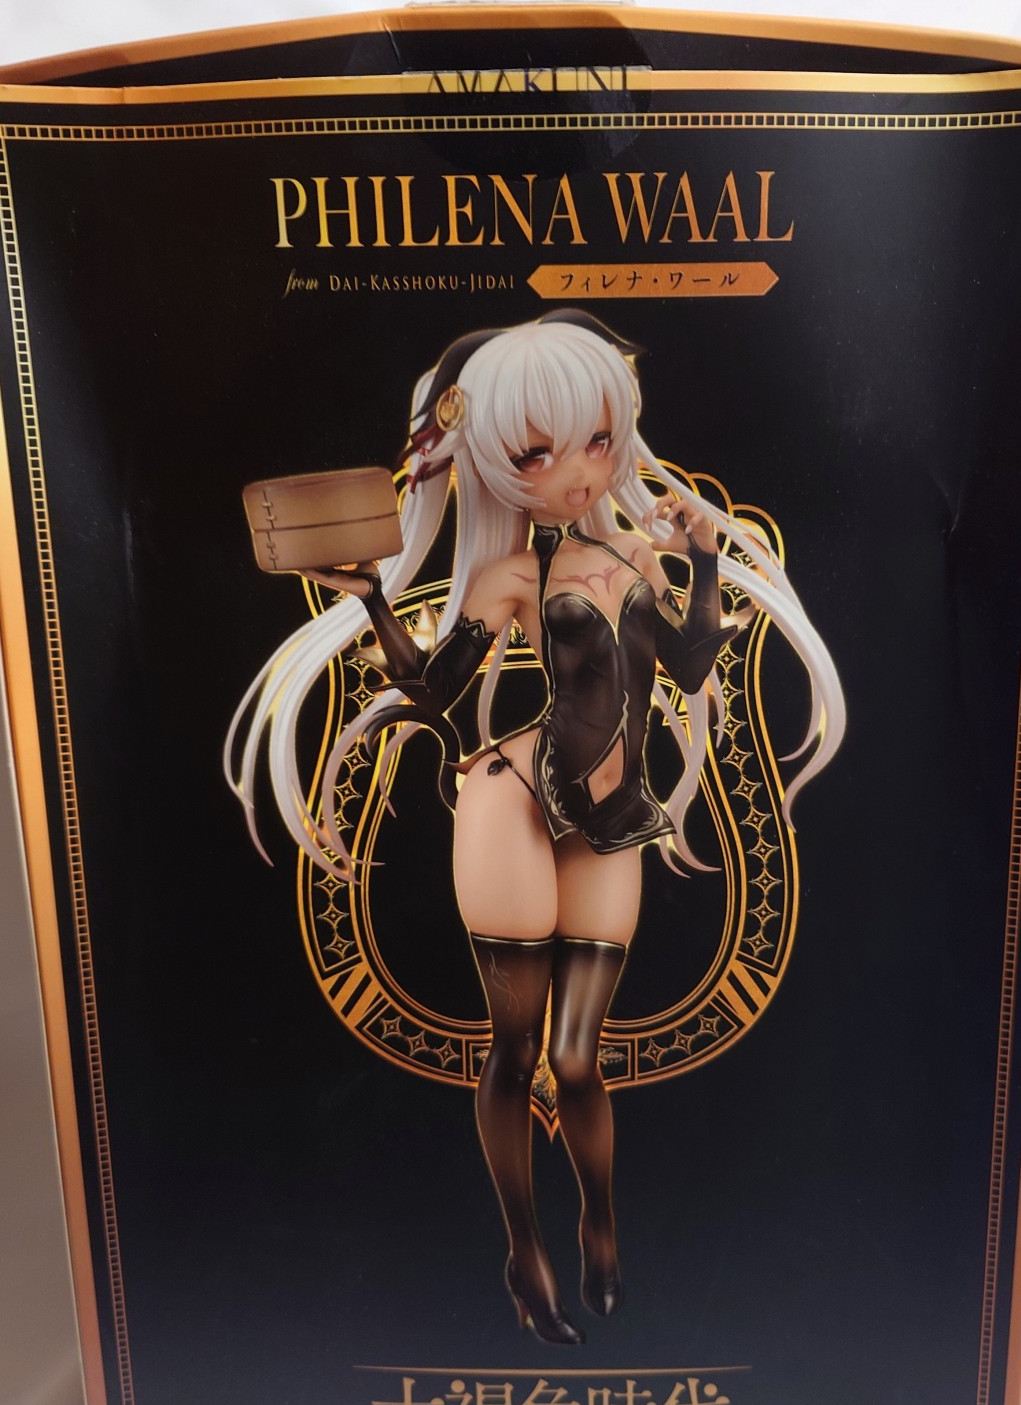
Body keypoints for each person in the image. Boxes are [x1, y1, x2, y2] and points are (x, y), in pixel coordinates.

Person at [226, 312, 844, 1342]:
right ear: (492, 466)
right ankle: (523, 1248)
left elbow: (693, 665)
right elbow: (434, 691)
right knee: (514, 1050)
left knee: (578, 1058)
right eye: (536, 455)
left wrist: (699, 561)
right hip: (512, 796)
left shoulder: (639, 556)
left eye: (598, 440)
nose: (578, 471)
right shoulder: (510, 578)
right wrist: (370, 601)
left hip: (613, 813)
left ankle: (599, 1220)